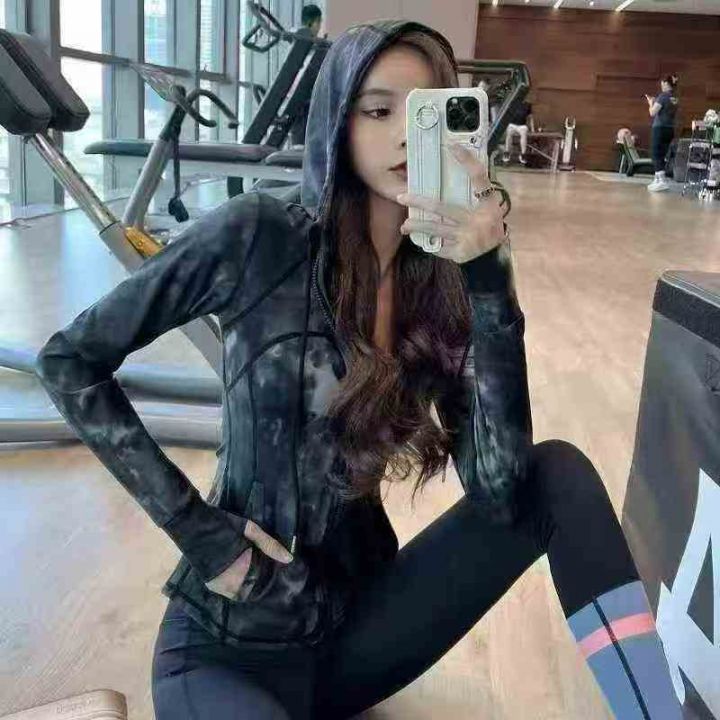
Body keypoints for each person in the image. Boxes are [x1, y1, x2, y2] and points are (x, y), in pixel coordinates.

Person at [35, 20, 683, 720]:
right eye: (378, 111)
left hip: (356, 636)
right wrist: (203, 535)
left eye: (426, 113)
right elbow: (69, 360)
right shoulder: (257, 234)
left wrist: (490, 280)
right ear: (337, 123)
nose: (404, 135)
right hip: (229, 647)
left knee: (556, 474)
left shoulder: (445, 280)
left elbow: (501, 492)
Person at [289, 5, 325, 147]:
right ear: (315, 22)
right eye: (319, 22)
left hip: (300, 97)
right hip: (302, 100)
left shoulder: (297, 39)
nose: (319, 27)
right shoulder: (306, 41)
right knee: (301, 141)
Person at [645, 74, 679, 193]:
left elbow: (652, 112)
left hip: (660, 128)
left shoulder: (663, 96)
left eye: (662, 84)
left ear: (666, 83)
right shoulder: (674, 98)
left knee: (656, 154)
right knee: (662, 154)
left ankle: (662, 181)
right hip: (670, 129)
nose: (661, 86)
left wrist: (651, 103)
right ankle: (657, 180)